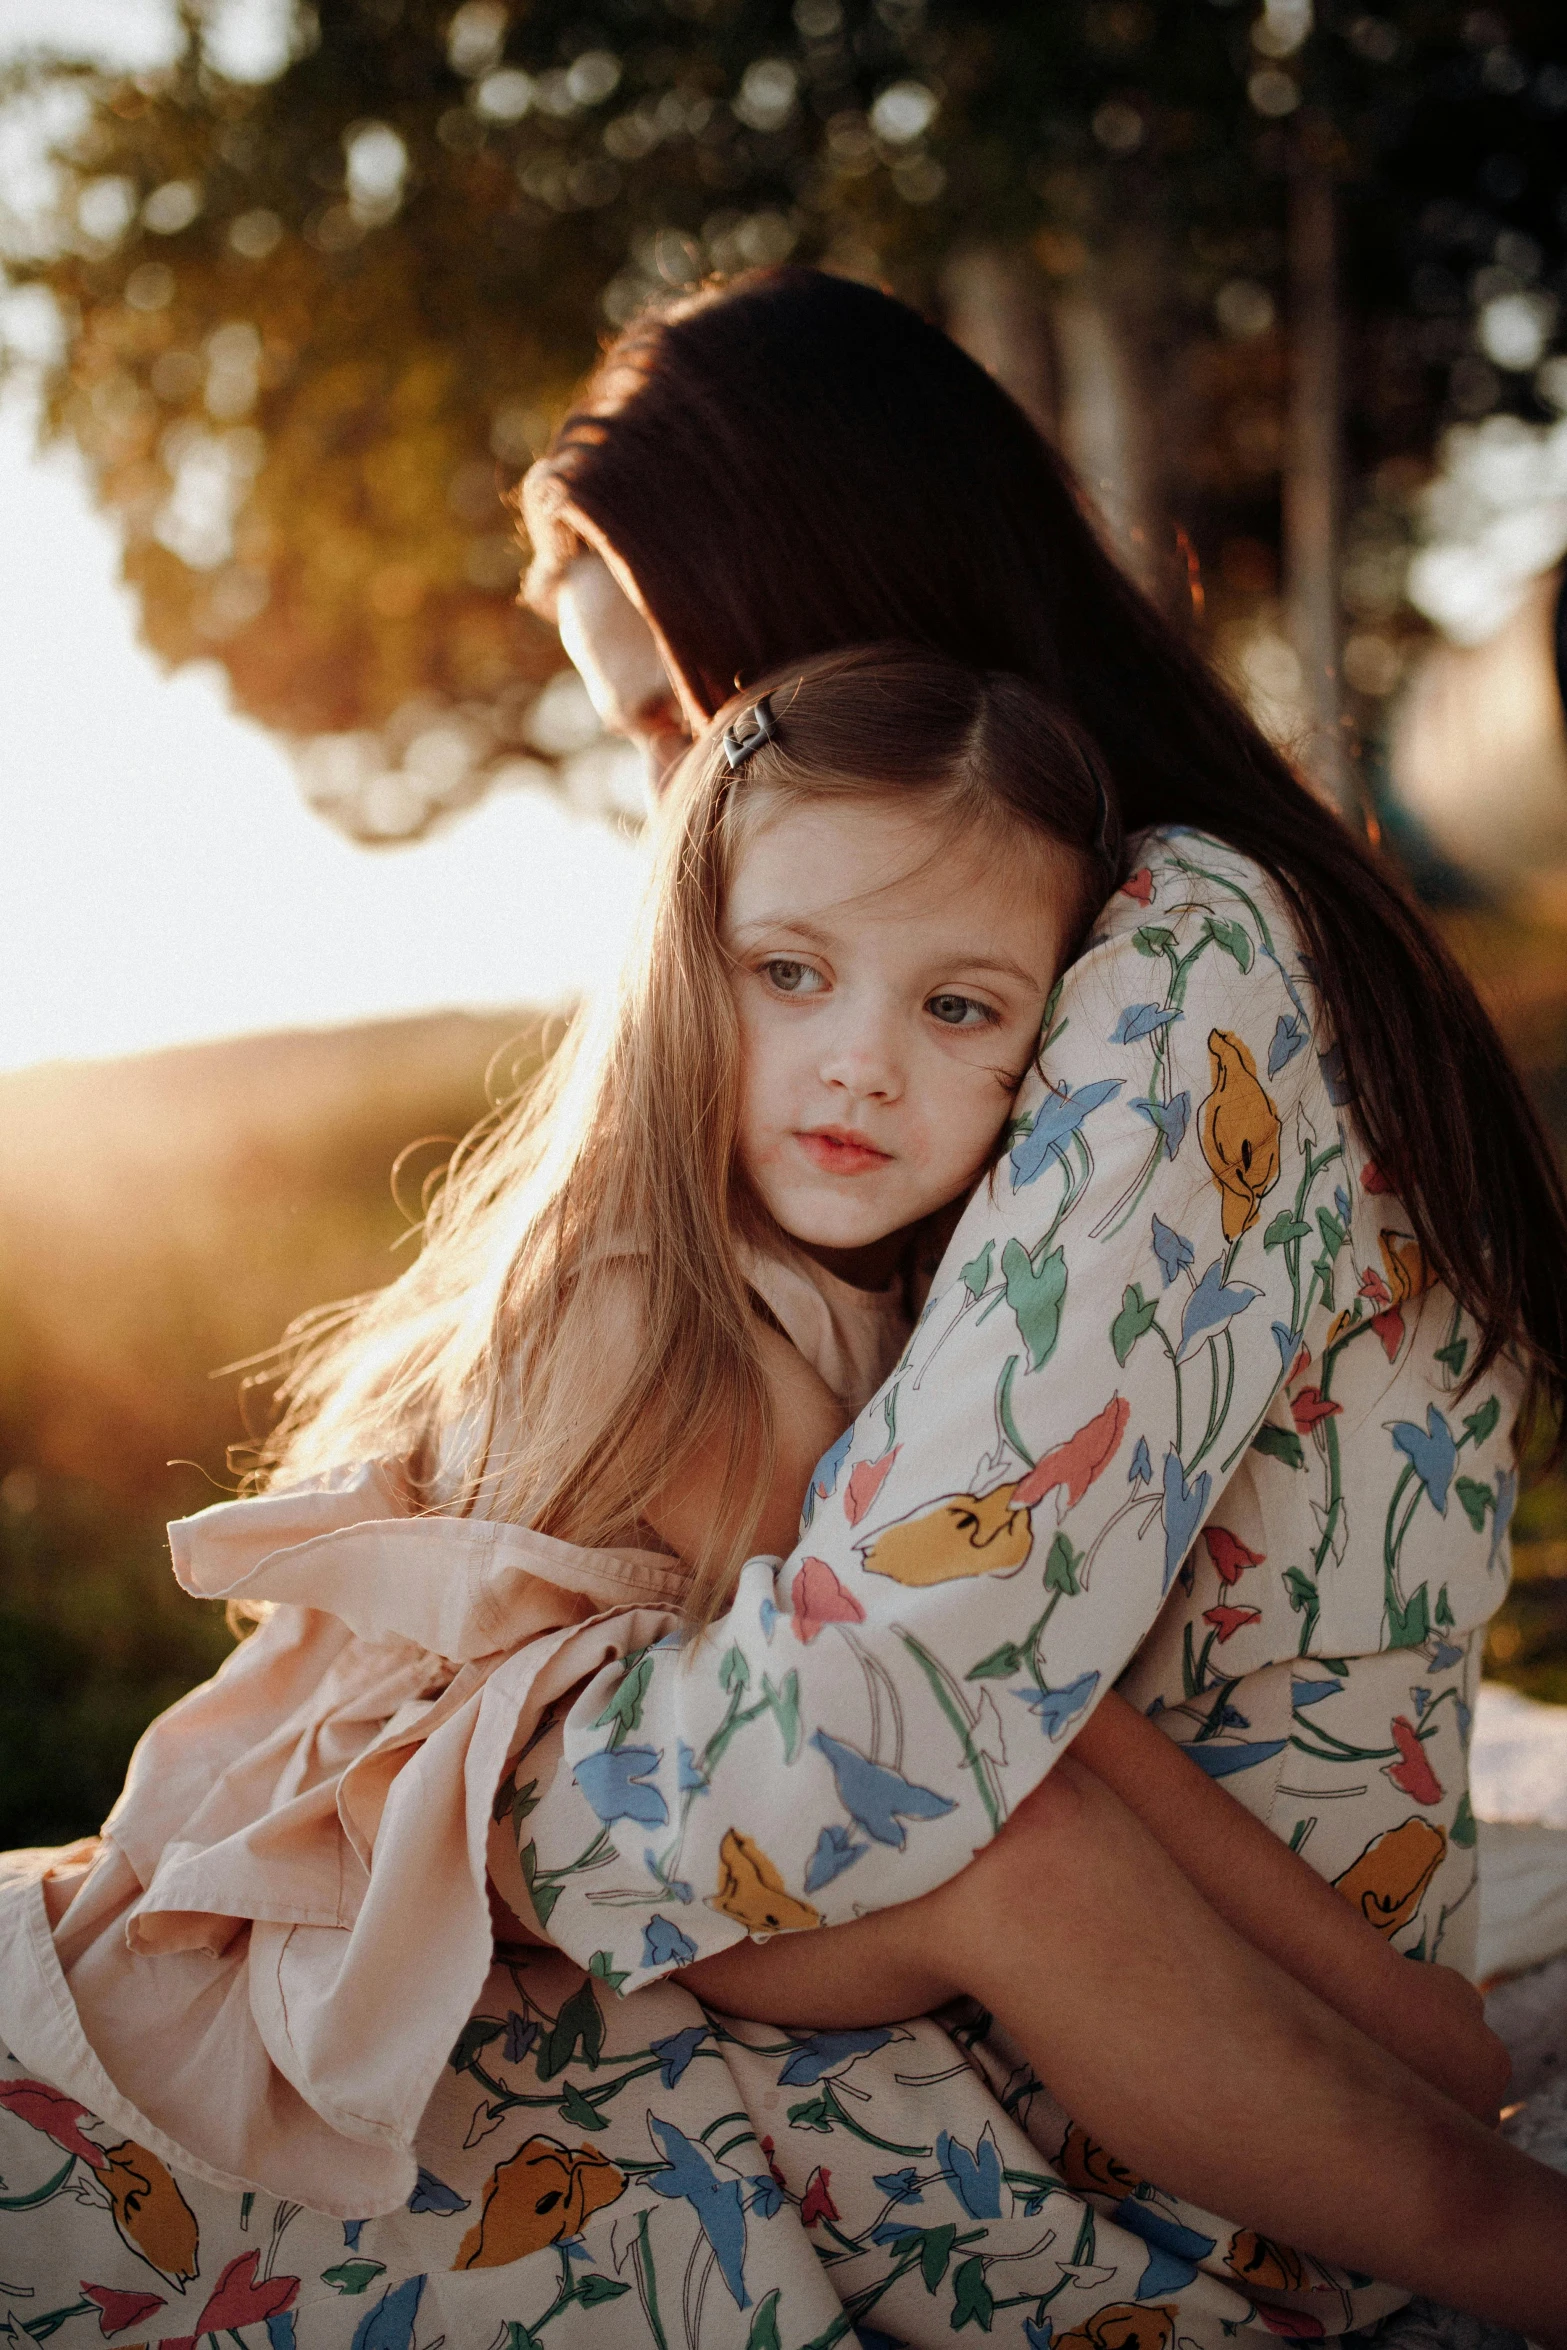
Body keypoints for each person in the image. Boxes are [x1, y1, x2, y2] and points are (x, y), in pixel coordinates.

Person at [0, 271, 1561, 2348]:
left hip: (1096, 2145)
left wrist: (447, 1798)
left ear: (837, 607)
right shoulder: (1041, 1022)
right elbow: (1013, 1699)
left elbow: (876, 1732)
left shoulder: (1183, 960)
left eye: (671, 709)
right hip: (1078, 2028)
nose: (670, 789)